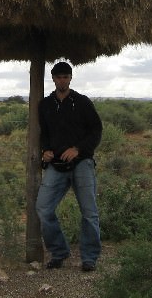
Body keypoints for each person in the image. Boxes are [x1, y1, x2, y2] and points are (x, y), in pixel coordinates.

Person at [36, 61, 103, 272]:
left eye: (66, 77)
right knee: (43, 208)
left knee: (89, 212)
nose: (62, 80)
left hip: (81, 163)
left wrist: (78, 149)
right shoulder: (45, 105)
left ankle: (89, 258)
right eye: (59, 77)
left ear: (71, 78)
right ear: (53, 79)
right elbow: (44, 133)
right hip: (56, 164)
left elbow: (96, 131)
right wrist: (46, 150)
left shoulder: (82, 102)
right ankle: (59, 252)